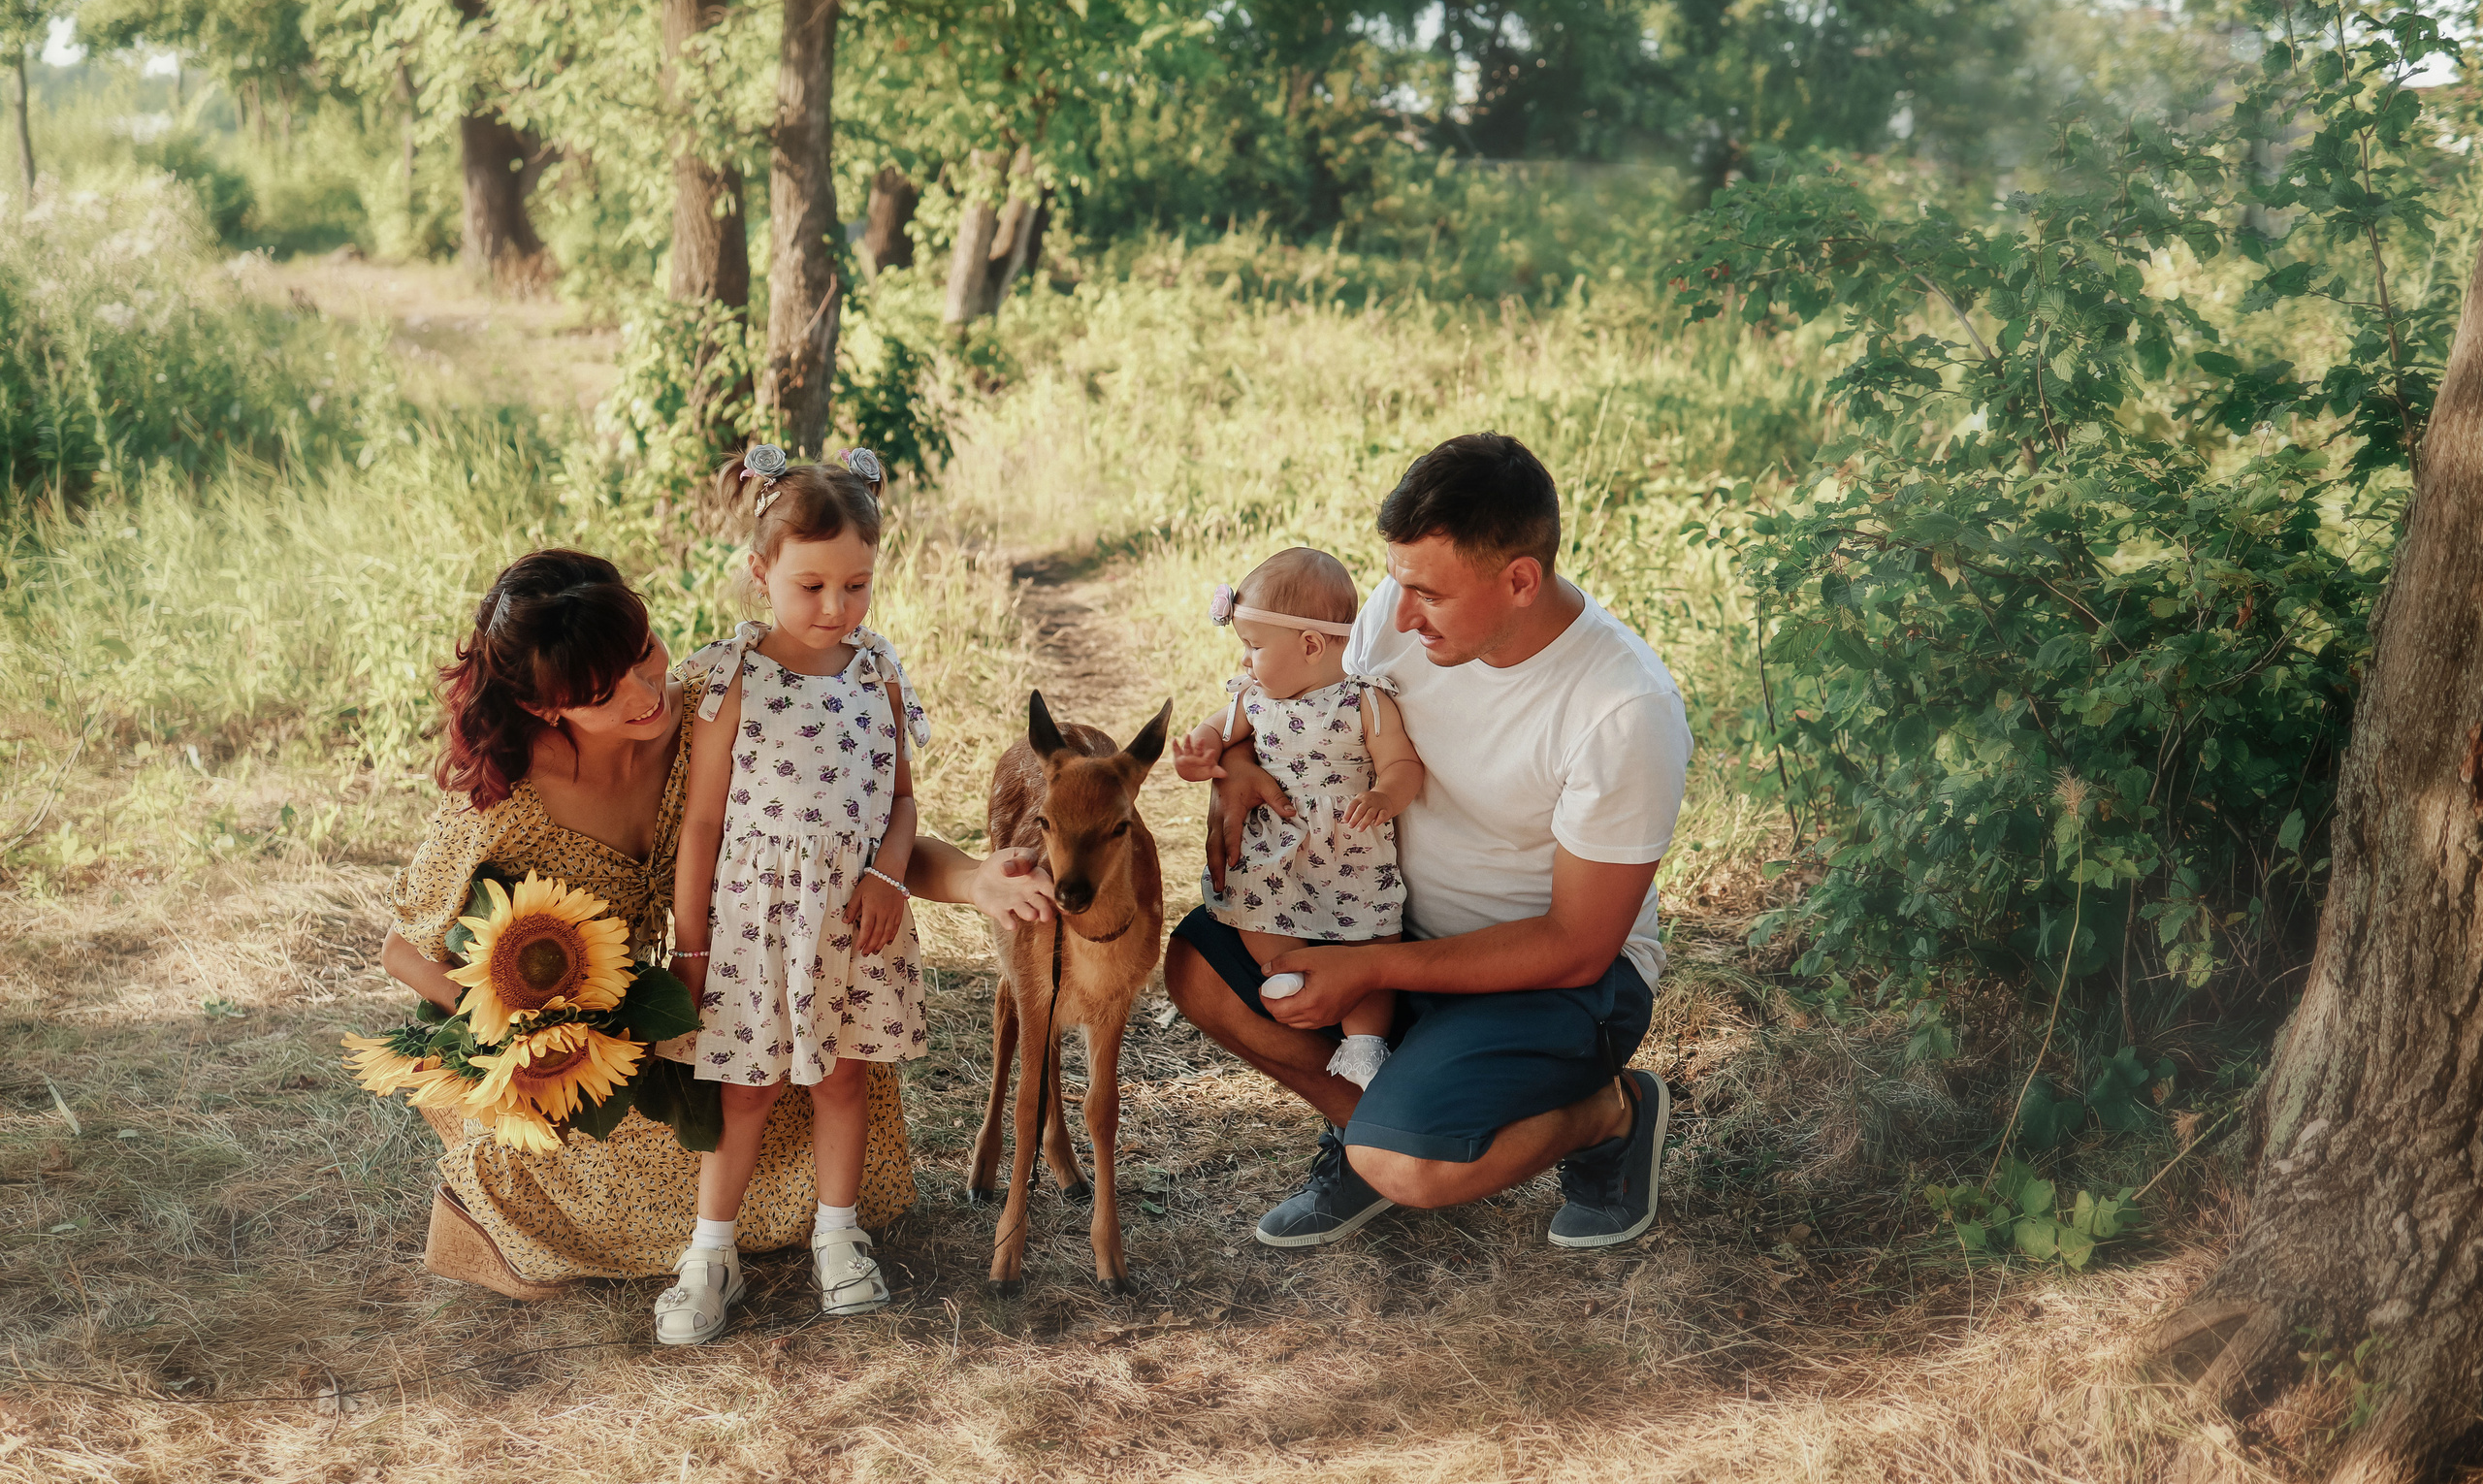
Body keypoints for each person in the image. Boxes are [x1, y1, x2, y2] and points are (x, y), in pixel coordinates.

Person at [380, 544, 1051, 1302]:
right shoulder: (503, 801)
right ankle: (507, 1210)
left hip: (724, 985)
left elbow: (844, 845)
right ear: (547, 707)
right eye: (610, 691)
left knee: (806, 1081)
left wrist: (973, 880)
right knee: (623, 1151)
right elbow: (403, 951)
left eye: (645, 653)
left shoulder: (716, 700)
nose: (646, 690)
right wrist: (532, 1044)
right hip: (592, 1027)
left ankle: (814, 1228)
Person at [1164, 433, 1693, 1251]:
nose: (1398, 613)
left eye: (1429, 594)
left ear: (1520, 579)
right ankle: (1373, 1133)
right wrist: (1234, 763)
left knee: (1413, 1167)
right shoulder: (1399, 612)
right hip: (1385, 919)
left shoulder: (1622, 709)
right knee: (1200, 966)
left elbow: (1578, 947)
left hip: (1549, 981)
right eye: (1398, 581)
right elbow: (1304, 702)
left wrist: (1370, 968)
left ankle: (1606, 1116)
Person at [655, 444, 930, 1346]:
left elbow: (901, 799)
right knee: (745, 1089)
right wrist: (690, 950)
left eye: (856, 585)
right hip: (753, 923)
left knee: (844, 1077)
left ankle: (837, 1233)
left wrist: (891, 873)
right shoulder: (738, 678)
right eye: (811, 586)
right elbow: (701, 826)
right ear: (761, 571)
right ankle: (710, 1251)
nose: (835, 608)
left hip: (855, 918)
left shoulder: (877, 671)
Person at [1169, 547, 1424, 1087]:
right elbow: (1216, 730)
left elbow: (1401, 763)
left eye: (1254, 646)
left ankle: (1364, 1043)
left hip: (1351, 849)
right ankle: (1286, 974)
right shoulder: (1254, 698)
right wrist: (1200, 754)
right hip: (1276, 853)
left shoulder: (1366, 702)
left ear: (1310, 645)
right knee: (1255, 910)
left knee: (1372, 934)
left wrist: (1384, 797)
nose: (1244, 660)